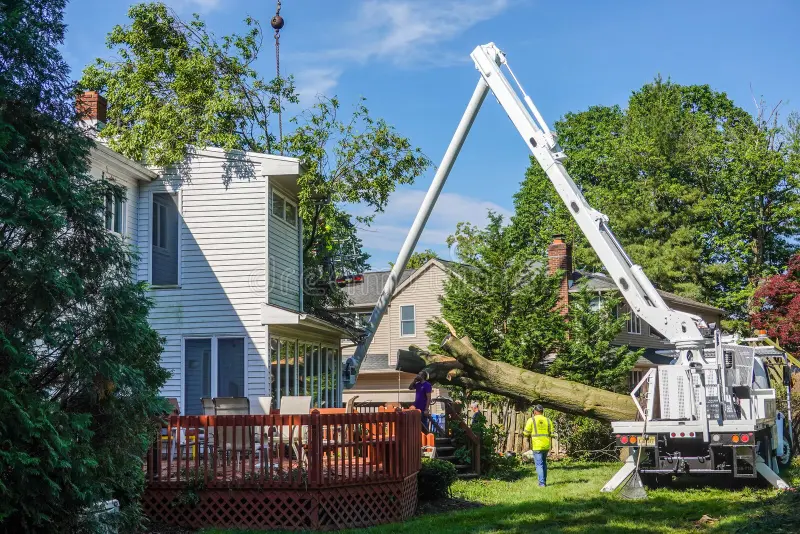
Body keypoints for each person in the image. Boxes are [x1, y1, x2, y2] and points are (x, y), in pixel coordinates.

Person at [523, 404, 553, 487]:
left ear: (535, 411)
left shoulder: (531, 420)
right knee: (544, 463)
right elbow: (551, 433)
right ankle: (544, 481)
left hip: (537, 446)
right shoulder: (548, 420)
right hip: (546, 445)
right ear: (542, 411)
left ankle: (542, 483)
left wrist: (527, 436)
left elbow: (526, 432)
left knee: (539, 464)